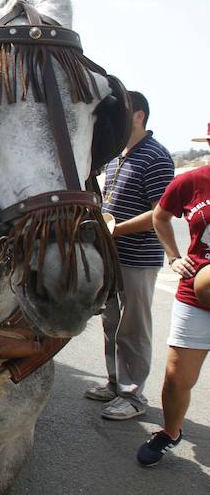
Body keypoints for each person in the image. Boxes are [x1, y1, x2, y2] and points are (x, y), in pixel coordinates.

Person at [85, 92, 175, 420]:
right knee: (111, 322)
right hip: (112, 255)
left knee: (134, 327)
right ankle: (114, 383)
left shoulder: (155, 157)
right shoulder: (116, 155)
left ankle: (134, 396)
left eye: (121, 115)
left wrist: (116, 230)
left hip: (139, 257)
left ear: (139, 116)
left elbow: (159, 215)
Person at [136, 124, 210, 466]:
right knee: (177, 376)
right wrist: (174, 256)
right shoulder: (191, 182)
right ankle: (170, 431)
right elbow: (160, 216)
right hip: (197, 294)